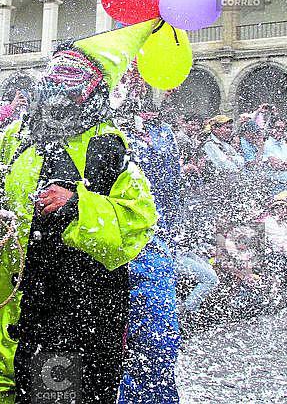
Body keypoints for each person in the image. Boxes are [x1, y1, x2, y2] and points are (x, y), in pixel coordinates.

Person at [0, 23, 159, 404]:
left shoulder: (107, 145)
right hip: (8, 305)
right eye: (55, 71)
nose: (58, 84)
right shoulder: (15, 136)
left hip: (71, 317)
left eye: (73, 75)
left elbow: (137, 222)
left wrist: (77, 207)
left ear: (94, 89)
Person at [115, 70, 180, 404]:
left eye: (141, 76)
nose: (136, 82)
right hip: (108, 248)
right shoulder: (101, 129)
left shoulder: (163, 132)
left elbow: (172, 190)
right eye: (130, 75)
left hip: (154, 247)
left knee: (159, 342)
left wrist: (174, 233)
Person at [263, 118, 287, 195]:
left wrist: (284, 163)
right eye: (277, 128)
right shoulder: (266, 145)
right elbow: (276, 165)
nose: (281, 130)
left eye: (283, 128)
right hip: (273, 185)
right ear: (271, 129)